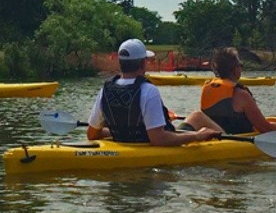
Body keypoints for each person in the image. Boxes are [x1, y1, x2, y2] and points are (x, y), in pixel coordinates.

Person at [87, 39, 224, 146]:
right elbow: (159, 139)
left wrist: (121, 131)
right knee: (197, 116)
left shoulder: (105, 89)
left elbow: (92, 134)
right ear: (142, 64)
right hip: (152, 146)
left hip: (126, 143)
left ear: (121, 63)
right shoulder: (148, 90)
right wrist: (197, 136)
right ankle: (229, 141)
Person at [200, 47, 276, 134]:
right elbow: (265, 129)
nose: (241, 68)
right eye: (240, 65)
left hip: (216, 135)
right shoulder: (242, 95)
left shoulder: (209, 88)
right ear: (235, 69)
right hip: (237, 139)